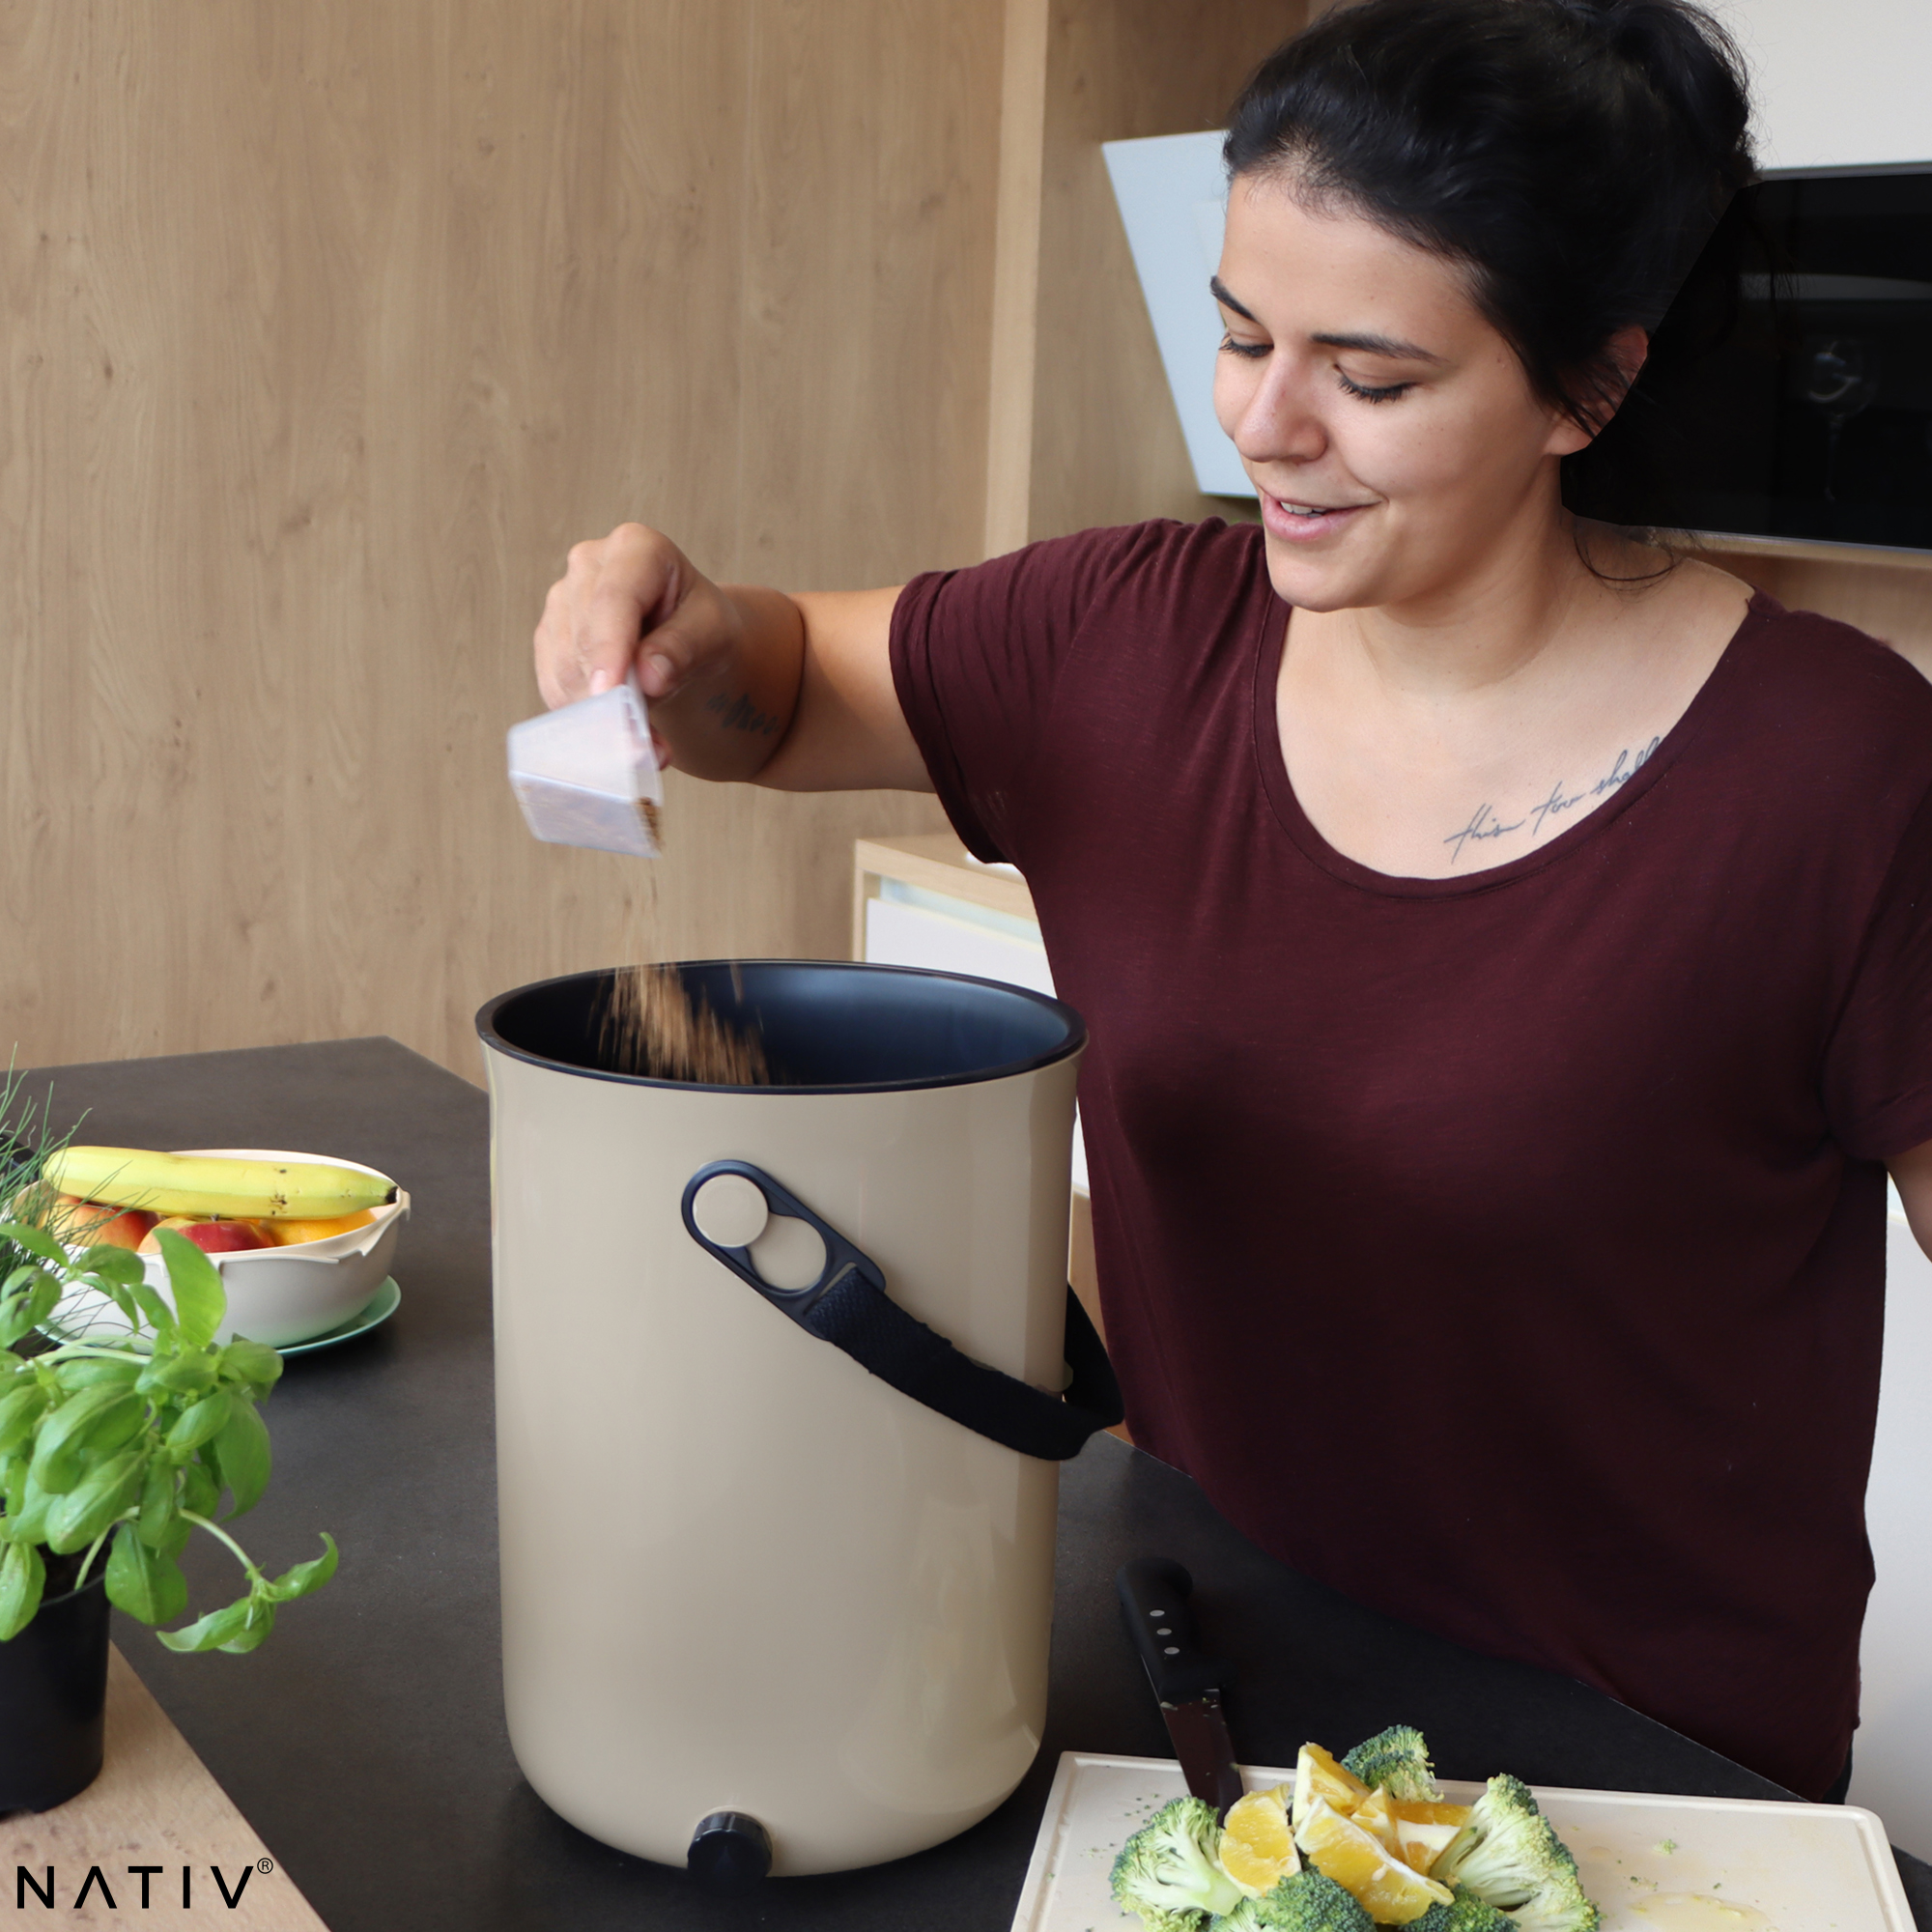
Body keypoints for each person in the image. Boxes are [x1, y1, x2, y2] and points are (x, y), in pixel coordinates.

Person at [533, 0, 1932, 1804]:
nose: (1267, 425)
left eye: (1372, 378)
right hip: (1215, 1704)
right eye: (1240, 333)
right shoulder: (1120, 644)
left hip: (1643, 1782)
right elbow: (784, 693)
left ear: (1588, 388)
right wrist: (684, 636)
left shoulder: (1839, 775)